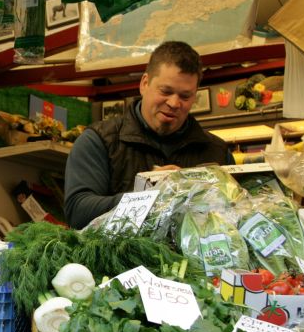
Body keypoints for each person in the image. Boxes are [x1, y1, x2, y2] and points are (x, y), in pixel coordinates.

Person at [64, 41, 232, 229]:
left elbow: (238, 214)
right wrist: (148, 195)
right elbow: (77, 212)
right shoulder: (99, 141)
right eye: (166, 91)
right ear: (144, 83)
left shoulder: (217, 152)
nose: (174, 103)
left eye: (185, 96)